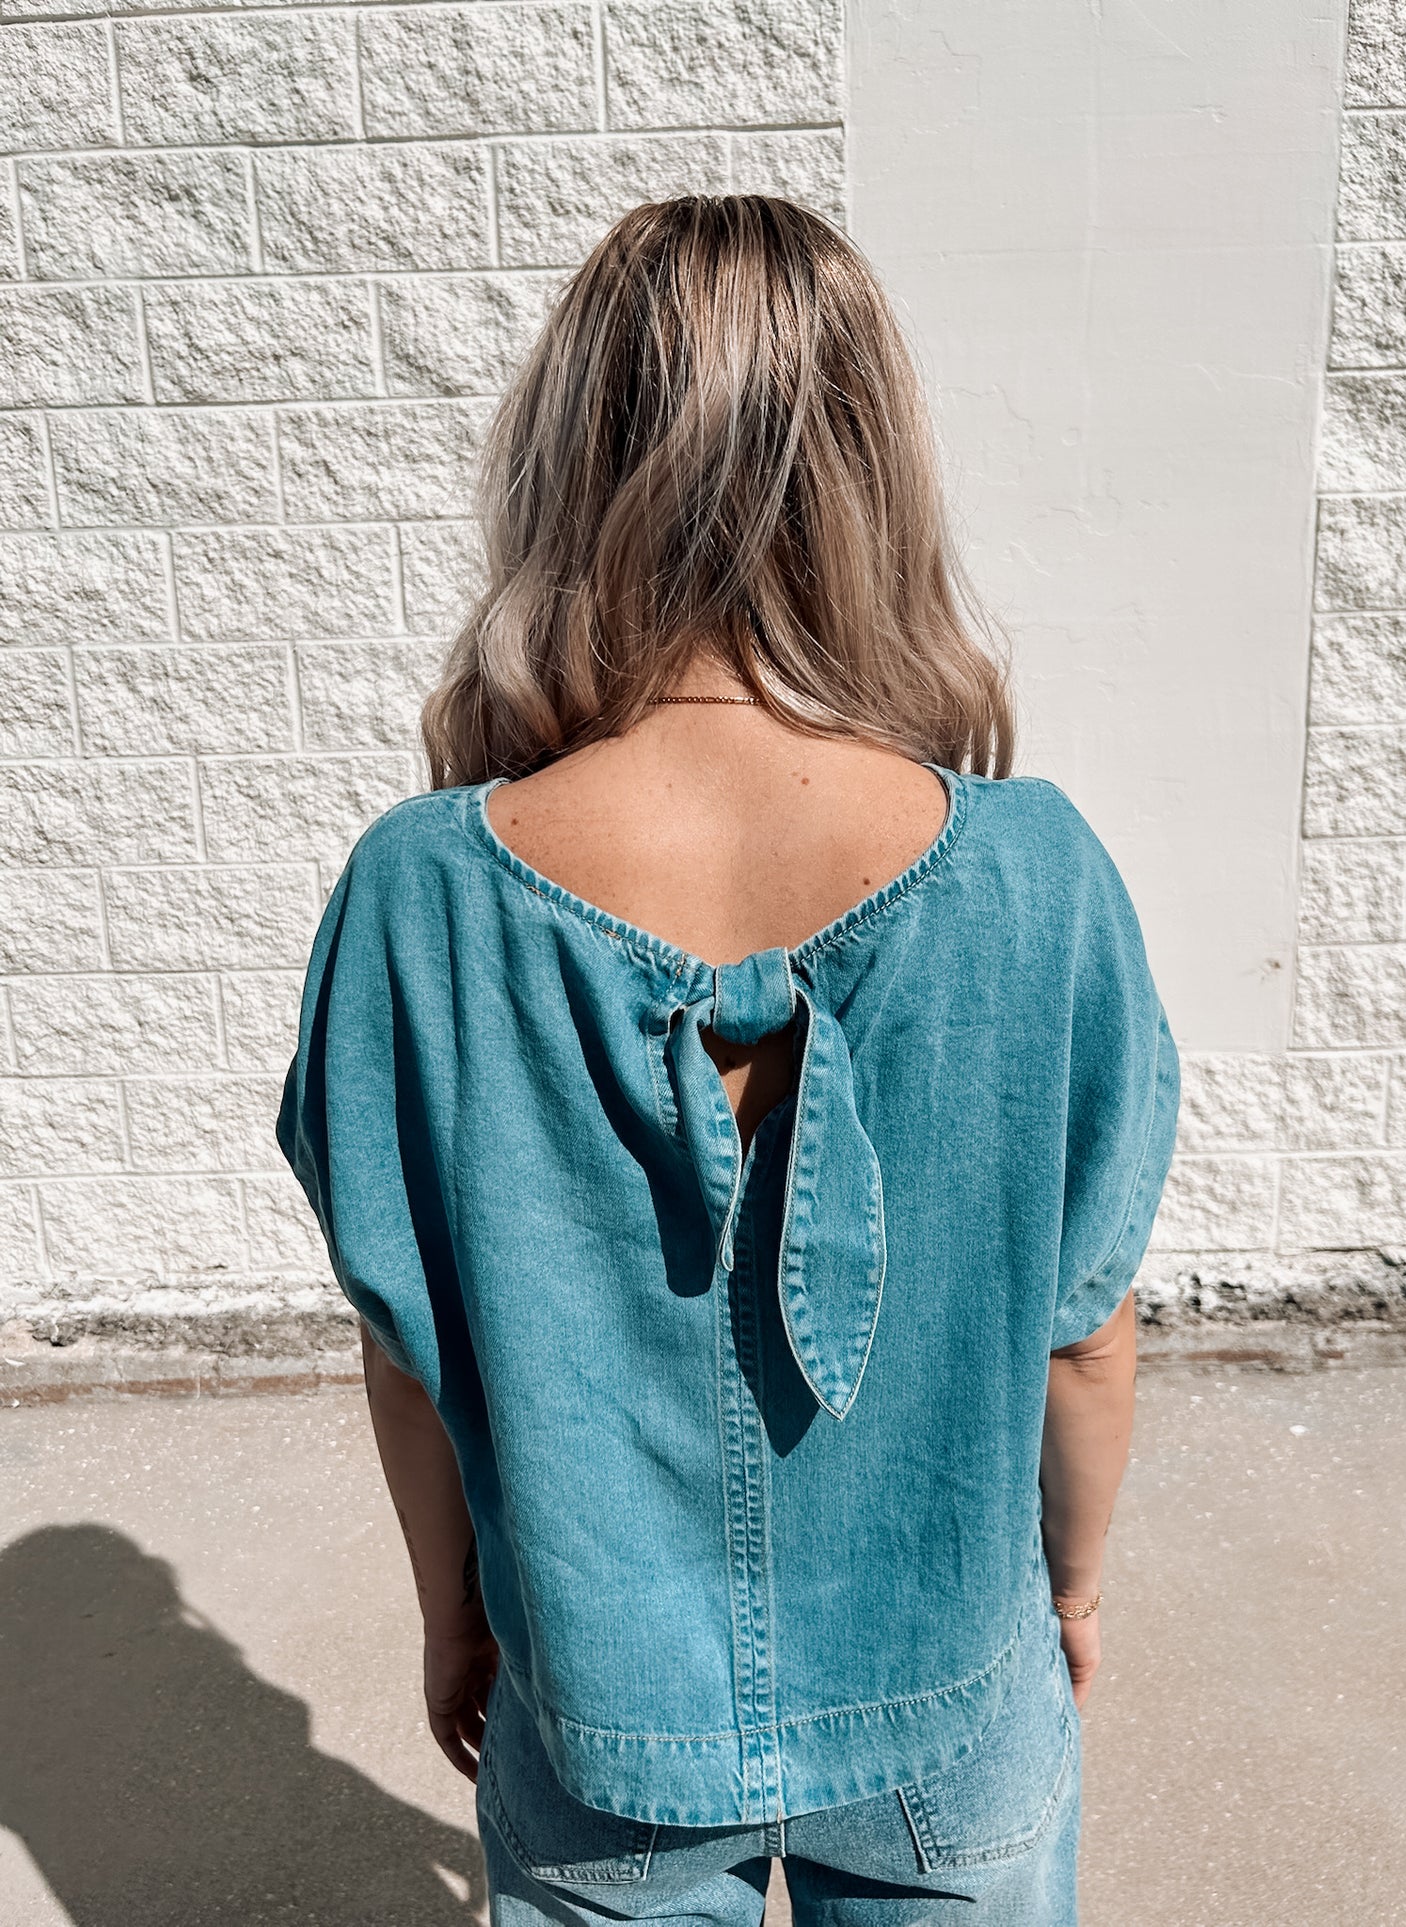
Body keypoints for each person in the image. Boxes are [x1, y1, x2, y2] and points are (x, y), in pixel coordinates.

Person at [276, 194, 1180, 1927]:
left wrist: (454, 1619)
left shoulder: (423, 895)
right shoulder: (1035, 873)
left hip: (601, 1713)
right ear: (872, 473)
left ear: (564, 465)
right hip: (953, 1707)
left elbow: (409, 1354)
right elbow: (1085, 1333)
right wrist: (1065, 1589)